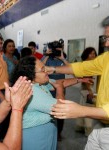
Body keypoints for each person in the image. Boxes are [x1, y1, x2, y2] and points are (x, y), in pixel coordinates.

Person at [44, 16, 109, 149]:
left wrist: (81, 110)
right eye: (106, 38)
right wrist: (53, 68)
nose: (106, 44)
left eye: (108, 38)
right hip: (102, 124)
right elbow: (82, 67)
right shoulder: (106, 58)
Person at [11, 56, 92, 150]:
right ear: (31, 74)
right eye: (42, 70)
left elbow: (59, 82)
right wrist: (60, 89)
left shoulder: (38, 83)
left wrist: (79, 80)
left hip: (46, 133)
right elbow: (61, 108)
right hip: (36, 136)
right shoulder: (32, 91)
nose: (47, 72)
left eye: (45, 68)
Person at [41, 39, 68, 140]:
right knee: (49, 109)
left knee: (60, 110)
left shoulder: (63, 57)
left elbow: (69, 68)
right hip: (48, 87)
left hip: (60, 87)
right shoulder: (47, 57)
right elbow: (40, 67)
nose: (56, 50)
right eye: (54, 49)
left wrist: (62, 57)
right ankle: (49, 130)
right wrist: (47, 55)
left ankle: (59, 132)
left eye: (58, 48)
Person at [75, 47, 97, 136]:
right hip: (89, 89)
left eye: (94, 53)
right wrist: (90, 91)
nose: (93, 55)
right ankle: (88, 130)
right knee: (89, 109)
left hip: (84, 89)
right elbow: (86, 78)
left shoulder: (85, 63)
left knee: (82, 106)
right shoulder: (89, 64)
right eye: (91, 53)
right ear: (86, 54)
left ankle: (79, 126)